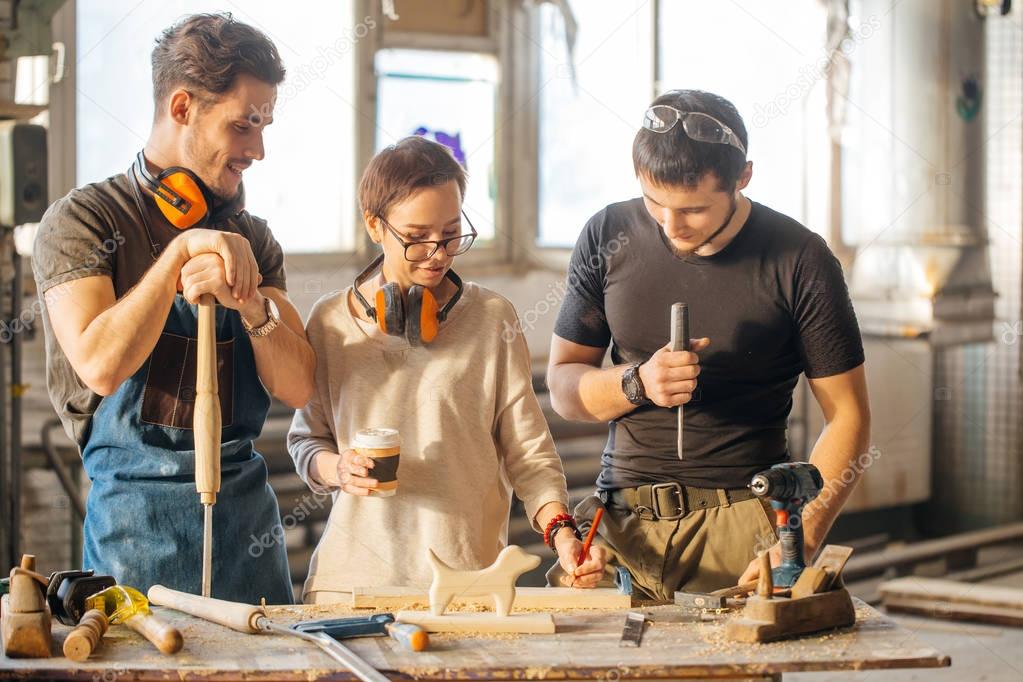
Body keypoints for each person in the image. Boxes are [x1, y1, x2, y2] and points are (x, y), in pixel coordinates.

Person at [32, 13, 314, 603]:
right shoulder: (85, 221)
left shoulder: (252, 239)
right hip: (135, 534)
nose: (258, 150)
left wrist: (251, 301)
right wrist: (178, 254)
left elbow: (299, 385)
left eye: (264, 127)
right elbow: (100, 365)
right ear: (183, 107)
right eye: (244, 125)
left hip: (248, 535)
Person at [545, 89, 870, 599]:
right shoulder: (607, 234)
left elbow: (848, 415)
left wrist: (797, 540)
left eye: (693, 210)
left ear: (743, 178)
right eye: (655, 203)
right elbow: (565, 389)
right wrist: (638, 383)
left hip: (744, 523)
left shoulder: (800, 259)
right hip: (622, 524)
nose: (671, 228)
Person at [287, 136, 608, 603]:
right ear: (375, 226)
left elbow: (529, 454)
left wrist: (565, 537)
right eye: (417, 238)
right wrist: (338, 468)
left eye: (451, 233)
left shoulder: (493, 318)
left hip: (467, 583)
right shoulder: (329, 321)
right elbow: (305, 440)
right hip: (349, 584)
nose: (438, 254)